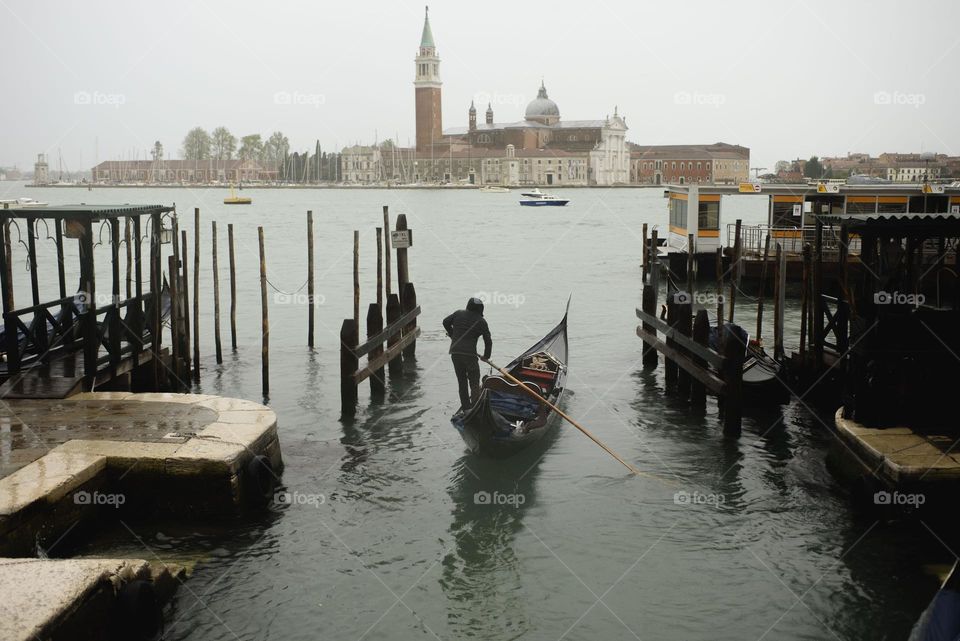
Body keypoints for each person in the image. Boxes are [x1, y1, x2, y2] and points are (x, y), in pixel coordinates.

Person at [443, 297, 493, 411]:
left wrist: (452, 334)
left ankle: (466, 409)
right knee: (474, 381)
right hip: (470, 355)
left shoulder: (458, 313)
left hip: (455, 353)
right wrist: (486, 356)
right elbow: (488, 341)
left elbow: (445, 322)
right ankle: (475, 407)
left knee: (462, 382)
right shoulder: (481, 321)